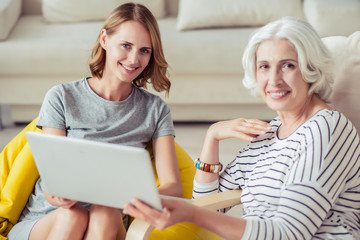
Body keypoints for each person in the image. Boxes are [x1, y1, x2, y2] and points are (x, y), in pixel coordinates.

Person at [124, 17, 360, 240]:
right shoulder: (271, 132)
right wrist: (212, 136)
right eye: (264, 66)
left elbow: (289, 234)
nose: (274, 80)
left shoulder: (326, 128)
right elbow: (210, 203)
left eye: (288, 65)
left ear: (311, 68)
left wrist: (190, 213)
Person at [7, 3, 182, 240]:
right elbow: (53, 181)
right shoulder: (62, 97)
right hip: (47, 219)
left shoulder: (155, 109)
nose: (133, 59)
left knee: (106, 211)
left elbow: (173, 187)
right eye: (126, 46)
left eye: (144, 51)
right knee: (74, 215)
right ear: (104, 39)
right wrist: (57, 195)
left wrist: (129, 197)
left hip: (108, 224)